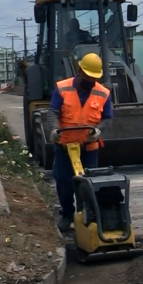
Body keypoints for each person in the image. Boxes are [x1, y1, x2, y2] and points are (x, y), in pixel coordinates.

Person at [48, 53, 113, 232]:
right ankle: (67, 214)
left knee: (87, 185)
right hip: (65, 146)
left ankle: (86, 215)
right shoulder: (62, 88)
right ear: (79, 71)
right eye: (88, 76)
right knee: (63, 181)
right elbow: (53, 112)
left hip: (89, 148)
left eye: (94, 77)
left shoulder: (103, 93)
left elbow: (107, 118)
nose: (91, 80)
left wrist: (98, 130)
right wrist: (54, 130)